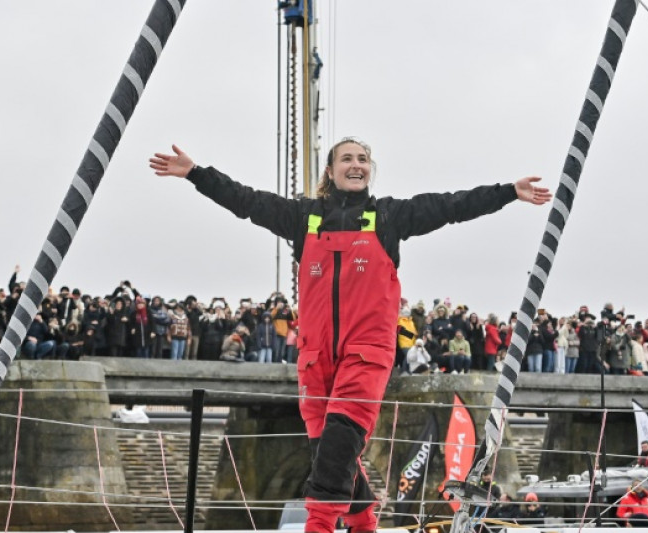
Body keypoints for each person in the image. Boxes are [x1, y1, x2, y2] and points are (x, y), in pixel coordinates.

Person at [150, 138, 549, 533]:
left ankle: (318, 527)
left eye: (363, 159)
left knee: (339, 443)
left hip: (366, 353)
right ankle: (363, 523)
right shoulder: (302, 217)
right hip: (315, 356)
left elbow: (451, 206)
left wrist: (508, 193)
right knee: (329, 451)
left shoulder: (388, 216)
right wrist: (196, 174)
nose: (356, 165)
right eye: (347, 159)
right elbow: (247, 201)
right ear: (330, 170)